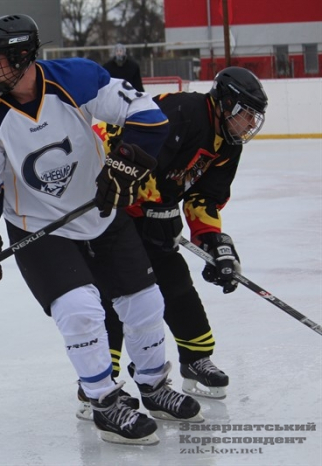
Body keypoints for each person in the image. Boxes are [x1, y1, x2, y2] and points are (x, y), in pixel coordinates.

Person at [0, 14, 202, 446]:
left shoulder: (77, 77)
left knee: (146, 302)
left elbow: (148, 116)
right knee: (81, 310)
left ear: (25, 55)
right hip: (39, 228)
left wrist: (125, 162)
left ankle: (154, 384)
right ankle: (104, 401)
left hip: (101, 213)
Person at [95, 67, 268, 400]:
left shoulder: (228, 144)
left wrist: (214, 242)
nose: (250, 124)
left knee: (176, 282)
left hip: (147, 205)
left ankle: (195, 359)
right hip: (106, 193)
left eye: (253, 117)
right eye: (246, 115)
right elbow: (137, 163)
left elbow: (204, 197)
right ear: (226, 104)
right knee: (116, 291)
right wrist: (158, 210)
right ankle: (102, 380)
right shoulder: (182, 112)